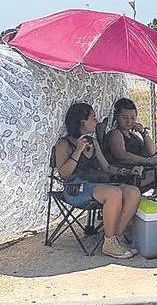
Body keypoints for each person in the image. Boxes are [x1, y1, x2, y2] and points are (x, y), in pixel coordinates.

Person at [53, 103, 141, 259]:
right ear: (82, 122)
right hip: (76, 188)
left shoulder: (92, 141)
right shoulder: (63, 144)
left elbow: (106, 167)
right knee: (114, 194)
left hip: (98, 186)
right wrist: (78, 150)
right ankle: (109, 243)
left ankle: (116, 237)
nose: (96, 121)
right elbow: (64, 175)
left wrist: (123, 171)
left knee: (133, 192)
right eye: (93, 118)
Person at [103, 98, 157, 196]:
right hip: (128, 174)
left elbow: (151, 152)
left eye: (132, 118)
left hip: (144, 168)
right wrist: (148, 161)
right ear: (117, 117)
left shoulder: (133, 136)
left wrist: (144, 133)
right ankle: (154, 206)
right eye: (125, 117)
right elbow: (122, 156)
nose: (129, 122)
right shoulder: (115, 134)